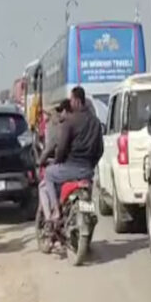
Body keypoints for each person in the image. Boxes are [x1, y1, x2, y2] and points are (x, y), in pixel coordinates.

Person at [41, 87, 103, 223]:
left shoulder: (70, 121)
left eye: (71, 100)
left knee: (49, 174)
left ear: (76, 101)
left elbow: (61, 148)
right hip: (87, 170)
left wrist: (58, 162)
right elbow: (100, 150)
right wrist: (91, 165)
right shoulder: (96, 122)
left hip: (71, 168)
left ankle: (56, 210)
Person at [37, 100, 70, 223]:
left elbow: (49, 149)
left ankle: (50, 217)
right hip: (80, 167)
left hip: (64, 168)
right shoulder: (75, 125)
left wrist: (40, 162)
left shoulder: (57, 128)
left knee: (43, 187)